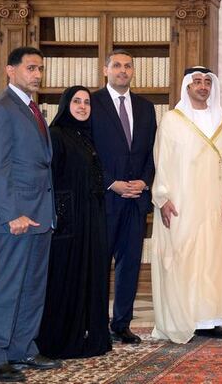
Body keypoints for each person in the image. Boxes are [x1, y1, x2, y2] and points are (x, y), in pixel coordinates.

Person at [0, 47, 61, 382]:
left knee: (32, 287)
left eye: (40, 68)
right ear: (10, 71)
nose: (37, 75)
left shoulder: (31, 108)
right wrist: (13, 213)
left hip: (40, 213)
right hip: (16, 216)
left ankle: (22, 348)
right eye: (30, 68)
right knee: (7, 286)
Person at [151, 67, 222, 343]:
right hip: (182, 202)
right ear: (187, 87)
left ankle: (211, 320)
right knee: (183, 258)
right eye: (197, 82)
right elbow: (161, 161)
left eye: (207, 83)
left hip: (214, 203)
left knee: (213, 259)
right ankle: (184, 319)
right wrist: (163, 198)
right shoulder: (172, 121)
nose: (202, 87)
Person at [37, 86, 112, 359]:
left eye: (87, 103)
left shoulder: (85, 137)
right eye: (77, 101)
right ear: (66, 105)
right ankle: (61, 342)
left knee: (89, 275)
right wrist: (63, 219)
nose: (82, 106)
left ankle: (87, 336)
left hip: (90, 220)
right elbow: (49, 181)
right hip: (68, 224)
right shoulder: (56, 135)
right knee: (66, 279)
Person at [91, 49, 157, 344]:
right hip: (103, 198)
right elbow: (86, 154)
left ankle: (122, 323)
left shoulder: (146, 107)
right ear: (105, 70)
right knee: (99, 264)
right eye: (116, 65)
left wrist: (144, 181)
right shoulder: (90, 103)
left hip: (135, 200)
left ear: (133, 71)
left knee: (129, 264)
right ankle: (94, 322)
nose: (123, 70)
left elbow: (151, 153)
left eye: (128, 66)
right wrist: (111, 183)